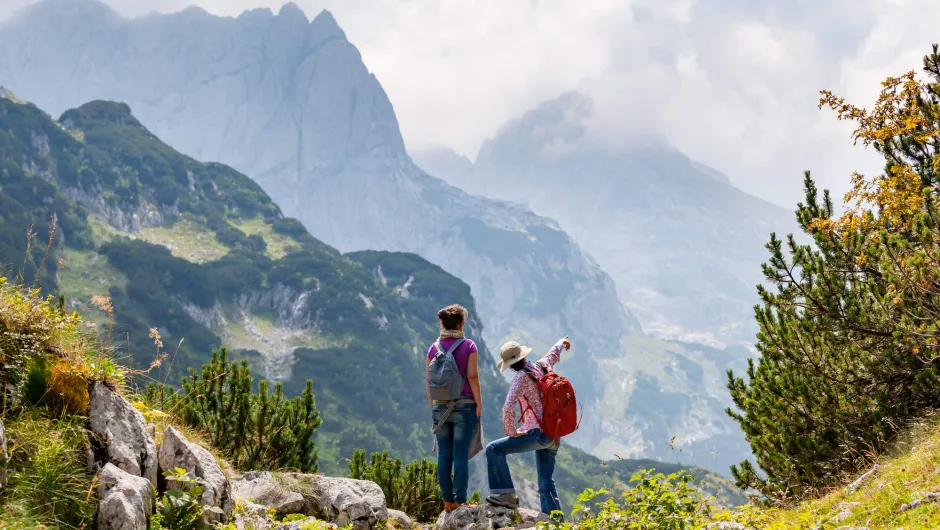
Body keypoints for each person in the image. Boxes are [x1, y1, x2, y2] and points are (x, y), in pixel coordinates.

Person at [485, 336, 571, 516]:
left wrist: (512, 432)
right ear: (523, 356)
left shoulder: (520, 378)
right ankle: (555, 523)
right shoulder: (541, 366)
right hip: (553, 433)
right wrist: (561, 343)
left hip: (538, 434)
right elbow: (551, 355)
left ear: (510, 364)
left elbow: (509, 405)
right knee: (546, 483)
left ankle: (505, 495)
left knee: (493, 449)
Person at [426, 304, 483, 513]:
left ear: (442, 323)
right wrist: (479, 402)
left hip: (439, 406)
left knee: (443, 455)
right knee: (460, 454)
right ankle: (460, 500)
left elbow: (429, 380)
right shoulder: (469, 346)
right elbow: (472, 376)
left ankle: (447, 501)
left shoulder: (433, 348)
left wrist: (433, 407)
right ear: (461, 323)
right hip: (465, 405)